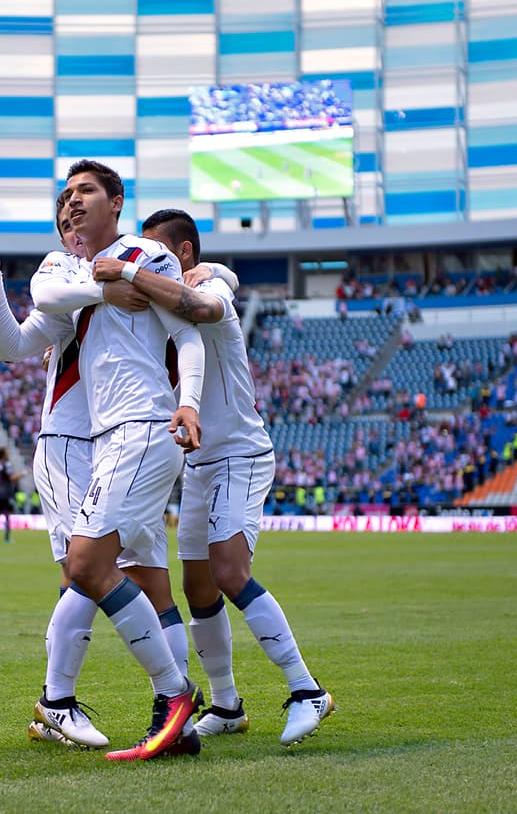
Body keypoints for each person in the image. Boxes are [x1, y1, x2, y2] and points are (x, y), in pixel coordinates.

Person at [93, 208, 334, 747]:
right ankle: (226, 705)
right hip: (198, 461)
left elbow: (202, 303)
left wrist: (128, 272)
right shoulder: (163, 305)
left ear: (181, 255)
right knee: (198, 586)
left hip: (239, 454)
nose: (142, 259)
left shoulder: (212, 292)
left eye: (153, 252)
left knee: (228, 570)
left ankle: (305, 689)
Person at [32, 160, 206, 761]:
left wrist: (187, 403)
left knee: (84, 564)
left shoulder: (147, 255)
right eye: (66, 194)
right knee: (112, 570)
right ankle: (174, 716)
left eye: (85, 191)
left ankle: (174, 693)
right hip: (111, 437)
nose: (73, 202)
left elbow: (186, 333)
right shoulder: (74, 266)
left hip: (142, 427)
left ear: (117, 200)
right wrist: (103, 286)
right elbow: (40, 297)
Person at [0, 199, 148, 749]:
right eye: (63, 221)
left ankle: (58, 706)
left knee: (90, 574)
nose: (71, 225)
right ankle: (59, 703)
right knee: (87, 570)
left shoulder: (133, 265)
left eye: (78, 215)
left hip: (116, 440)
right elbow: (13, 344)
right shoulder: (62, 272)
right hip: (68, 445)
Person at [0, 447, 21, 543]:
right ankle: (7, 538)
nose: (8, 454)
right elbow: (11, 478)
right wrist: (22, 474)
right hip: (6, 493)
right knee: (7, 515)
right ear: (3, 454)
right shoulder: (6, 464)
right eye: (7, 452)